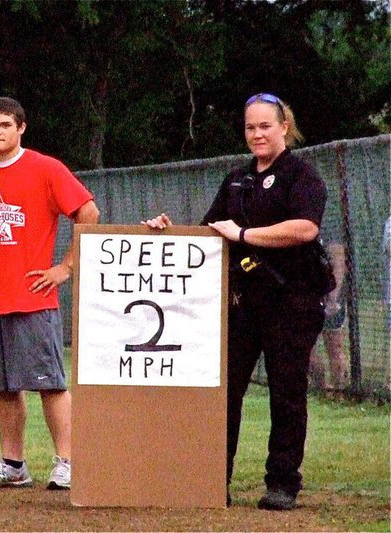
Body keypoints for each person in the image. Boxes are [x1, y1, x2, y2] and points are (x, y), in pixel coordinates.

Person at [144, 93, 328, 511]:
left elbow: (304, 229)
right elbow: (210, 234)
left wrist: (244, 235)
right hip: (243, 304)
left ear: (284, 127)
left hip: (293, 301)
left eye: (265, 126)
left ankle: (282, 482)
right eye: (250, 127)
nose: (257, 134)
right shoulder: (236, 179)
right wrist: (165, 230)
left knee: (286, 393)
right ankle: (213, 480)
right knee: (224, 392)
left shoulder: (301, 176)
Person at [0, 97, 99, 490]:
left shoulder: (45, 168)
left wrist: (66, 267)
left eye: (5, 125)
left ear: (21, 128)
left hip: (33, 295)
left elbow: (88, 213)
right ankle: (13, 465)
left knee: (50, 383)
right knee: (4, 386)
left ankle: (68, 462)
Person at [308, 222, 348, 394]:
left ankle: (340, 390)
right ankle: (320, 389)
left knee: (335, 346)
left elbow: (339, 264)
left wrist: (333, 298)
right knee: (308, 347)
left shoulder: (330, 228)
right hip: (309, 297)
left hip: (330, 299)